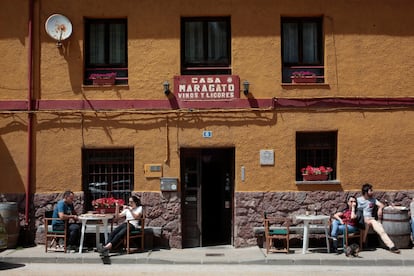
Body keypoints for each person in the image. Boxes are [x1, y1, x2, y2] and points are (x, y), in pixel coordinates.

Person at [357, 183, 400, 254]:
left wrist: (380, 208)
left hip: (371, 219)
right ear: (365, 192)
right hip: (363, 219)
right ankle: (363, 243)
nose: (372, 192)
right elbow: (356, 210)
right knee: (366, 224)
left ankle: (391, 246)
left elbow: (381, 205)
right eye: (371, 190)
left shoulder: (373, 200)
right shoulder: (358, 200)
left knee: (381, 229)